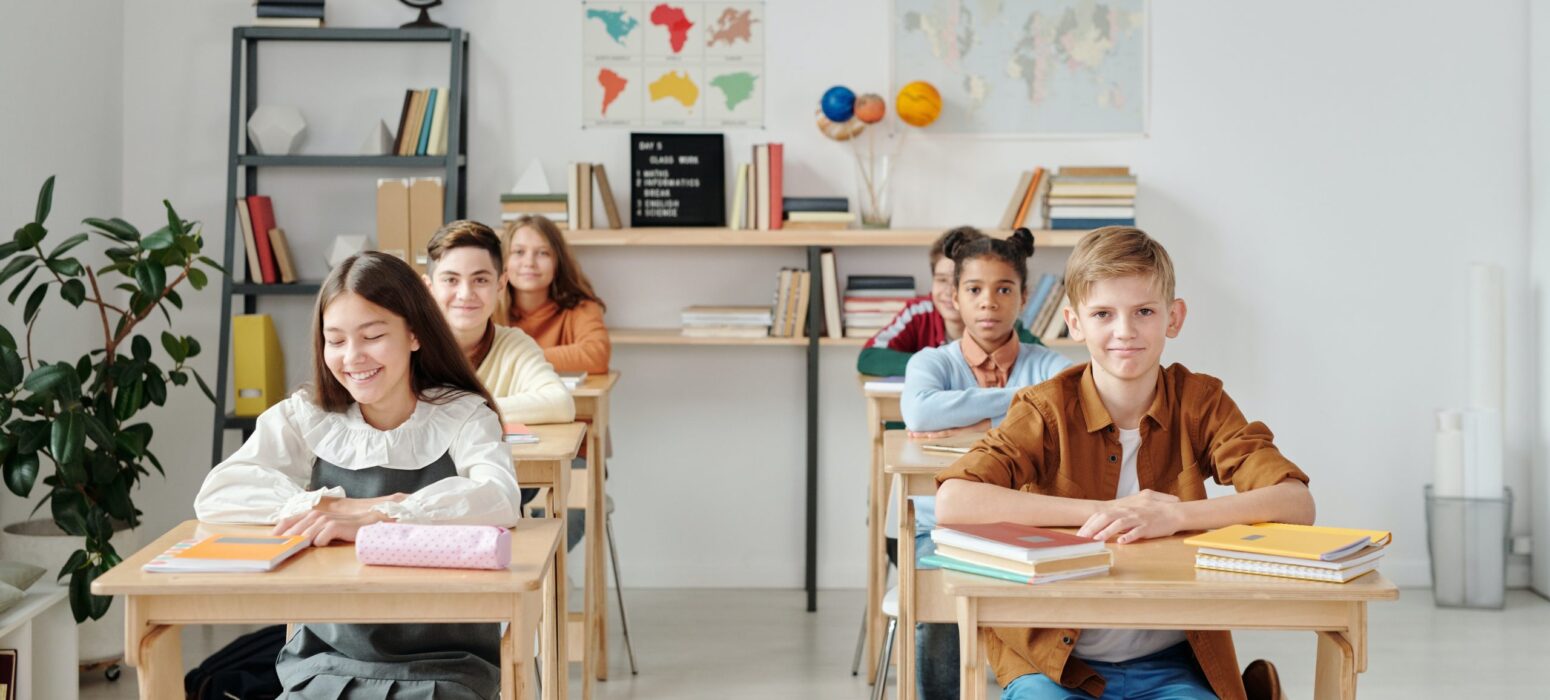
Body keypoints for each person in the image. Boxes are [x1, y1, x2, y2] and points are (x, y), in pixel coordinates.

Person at [935, 227, 1314, 700]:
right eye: (1103, 314)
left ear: (1173, 318)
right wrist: (1107, 511)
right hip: (1054, 663)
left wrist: (1174, 515)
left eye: (1144, 312)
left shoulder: (1201, 402)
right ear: (1074, 322)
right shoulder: (1045, 408)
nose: (1125, 331)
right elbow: (954, 500)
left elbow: (1295, 502)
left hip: (1174, 660)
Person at [195, 252, 522, 699]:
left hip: (446, 664)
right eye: (336, 340)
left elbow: (499, 498)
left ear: (414, 333)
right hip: (325, 660)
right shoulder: (307, 417)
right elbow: (219, 493)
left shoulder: (462, 416)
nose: (353, 357)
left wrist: (383, 512)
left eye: (372, 336)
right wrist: (320, 506)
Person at [899, 227, 1071, 700]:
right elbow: (920, 412)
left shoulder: (1050, 364)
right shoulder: (930, 363)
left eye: (1004, 289)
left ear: (1024, 297)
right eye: (974, 289)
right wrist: (1021, 404)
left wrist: (965, 415)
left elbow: (1065, 414)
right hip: (940, 527)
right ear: (954, 296)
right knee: (940, 614)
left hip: (1030, 524)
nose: (989, 302)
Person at [424, 219, 574, 426]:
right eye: (451, 280)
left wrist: (457, 409)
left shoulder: (514, 344)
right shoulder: (408, 346)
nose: (465, 294)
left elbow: (560, 405)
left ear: (501, 285)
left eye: (481, 280)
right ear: (429, 288)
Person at [856, 226, 1040, 378]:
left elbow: (1043, 362)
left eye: (971, 287)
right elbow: (869, 357)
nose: (949, 290)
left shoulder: (999, 322)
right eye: (941, 280)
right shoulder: (919, 313)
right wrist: (938, 367)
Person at [499, 214, 610, 374]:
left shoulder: (581, 308)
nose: (529, 262)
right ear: (504, 261)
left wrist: (519, 358)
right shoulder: (488, 308)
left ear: (557, 262)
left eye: (543, 253)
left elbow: (597, 356)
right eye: (519, 252)